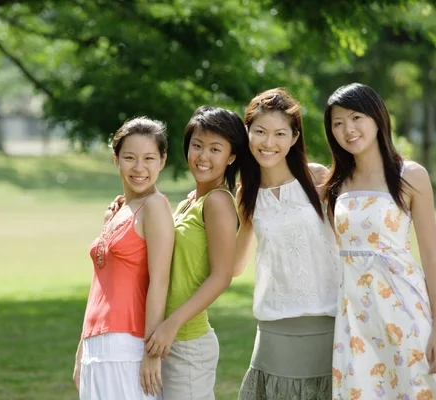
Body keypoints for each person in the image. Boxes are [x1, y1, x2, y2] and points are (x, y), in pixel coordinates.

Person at [325, 83, 436, 398]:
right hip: (354, 316)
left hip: (404, 306)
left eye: (356, 117)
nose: (348, 129)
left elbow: (431, 254)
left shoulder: (409, 175)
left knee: (414, 388)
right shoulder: (336, 184)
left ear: (377, 118)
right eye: (338, 123)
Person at [235, 88, 340, 400]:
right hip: (274, 326)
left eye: (280, 133)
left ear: (294, 137)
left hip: (329, 321)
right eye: (260, 132)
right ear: (247, 132)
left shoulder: (318, 178)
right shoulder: (246, 194)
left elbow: (347, 242)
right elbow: (235, 265)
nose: (269, 143)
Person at [144, 106, 252, 400]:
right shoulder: (188, 202)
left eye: (215, 149)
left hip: (187, 341)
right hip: (164, 336)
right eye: (197, 146)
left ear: (230, 157)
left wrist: (171, 325)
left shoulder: (217, 203)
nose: (203, 156)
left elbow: (222, 276)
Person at [73, 117, 175, 400]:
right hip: (97, 347)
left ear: (162, 161)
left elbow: (160, 282)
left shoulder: (154, 206)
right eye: (130, 157)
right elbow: (99, 285)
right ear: (116, 159)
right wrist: (82, 350)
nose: (139, 168)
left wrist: (152, 354)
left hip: (127, 347)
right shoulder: (118, 210)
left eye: (149, 158)